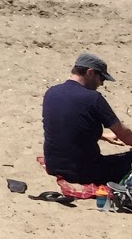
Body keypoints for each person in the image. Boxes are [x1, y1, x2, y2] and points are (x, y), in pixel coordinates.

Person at [42, 52, 132, 188]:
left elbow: (67, 127)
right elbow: (125, 136)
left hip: (53, 166)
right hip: (84, 172)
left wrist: (101, 136)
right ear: (90, 72)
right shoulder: (93, 98)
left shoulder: (51, 92)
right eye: (101, 78)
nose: (101, 83)